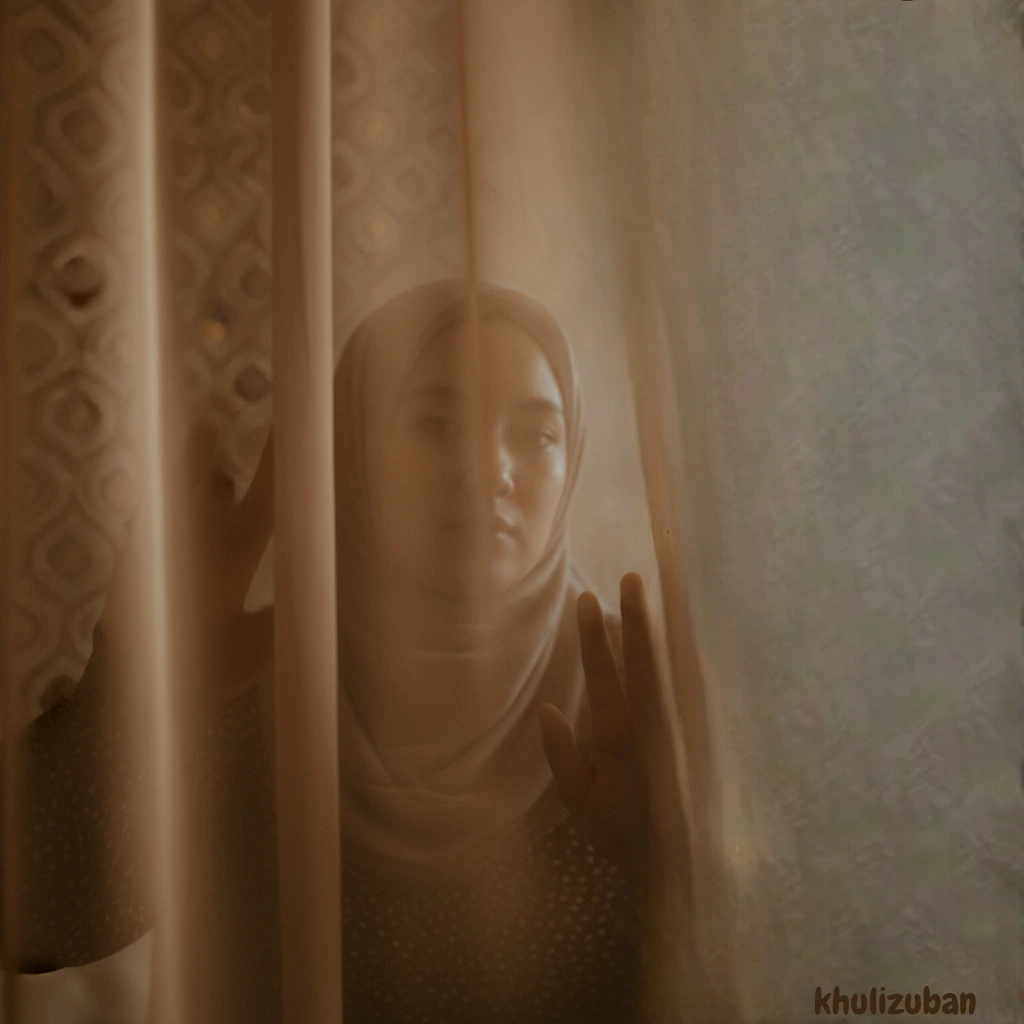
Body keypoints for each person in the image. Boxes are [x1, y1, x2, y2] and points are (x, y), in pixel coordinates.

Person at [10, 280, 676, 1023]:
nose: (489, 472)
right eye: (435, 424)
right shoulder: (252, 686)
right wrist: (137, 683)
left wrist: (672, 870)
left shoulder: (631, 699)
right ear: (351, 449)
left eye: (537, 434)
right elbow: (35, 922)